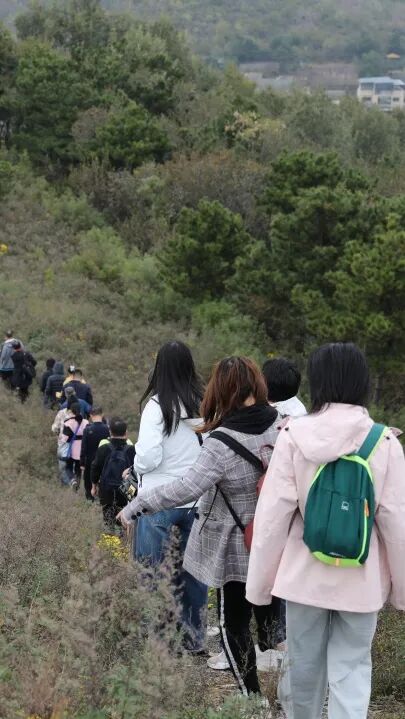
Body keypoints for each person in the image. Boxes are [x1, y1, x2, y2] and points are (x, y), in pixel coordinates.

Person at [246, 342, 405, 719]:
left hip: (303, 577)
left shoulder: (293, 435)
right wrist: (401, 592)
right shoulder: (383, 442)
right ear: (362, 382)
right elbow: (396, 524)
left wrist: (259, 586)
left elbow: (271, 518)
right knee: (352, 669)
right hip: (360, 579)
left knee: (303, 666)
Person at [118, 356, 281, 698]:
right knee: (270, 615)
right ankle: (283, 684)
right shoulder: (279, 425)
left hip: (237, 546)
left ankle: (252, 701)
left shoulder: (221, 442)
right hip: (276, 539)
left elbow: (186, 488)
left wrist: (137, 504)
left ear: (219, 391)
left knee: (233, 625)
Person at [125, 340, 208, 654]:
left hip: (158, 501)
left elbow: (148, 457)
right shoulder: (204, 404)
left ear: (159, 367)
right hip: (196, 499)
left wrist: (136, 464)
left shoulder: (157, 406)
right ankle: (194, 638)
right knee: (193, 573)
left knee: (153, 571)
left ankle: (159, 641)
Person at [91, 417, 134, 528]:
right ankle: (124, 536)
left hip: (106, 490)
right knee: (126, 518)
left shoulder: (103, 448)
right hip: (127, 490)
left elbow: (95, 468)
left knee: (108, 517)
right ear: (126, 432)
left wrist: (94, 486)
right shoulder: (132, 450)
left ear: (110, 432)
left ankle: (110, 535)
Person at [80, 406, 110, 501]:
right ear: (102, 414)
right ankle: (103, 499)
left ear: (90, 415)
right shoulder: (107, 429)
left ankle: (90, 499)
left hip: (90, 460)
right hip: (105, 460)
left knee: (89, 481)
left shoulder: (87, 430)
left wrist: (82, 463)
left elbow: (84, 448)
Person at [60, 401, 89, 490]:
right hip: (83, 449)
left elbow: (64, 439)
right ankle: (77, 484)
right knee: (78, 468)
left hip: (71, 450)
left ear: (71, 411)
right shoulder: (86, 422)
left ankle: (73, 481)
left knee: (68, 467)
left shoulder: (68, 423)